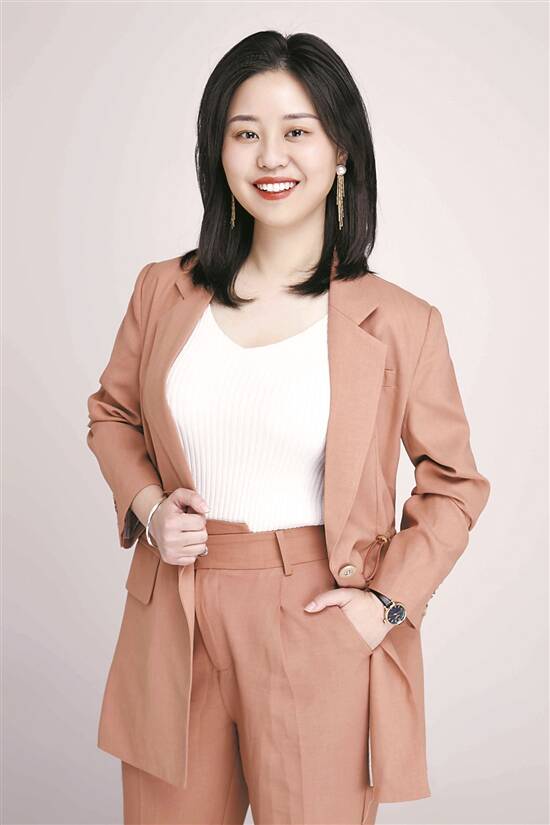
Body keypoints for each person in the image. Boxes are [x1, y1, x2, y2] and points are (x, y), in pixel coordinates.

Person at [86, 30, 491, 825]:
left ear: (341, 149)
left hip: (315, 610)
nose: (270, 156)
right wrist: (149, 506)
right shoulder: (163, 291)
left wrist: (386, 603)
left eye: (296, 131)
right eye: (246, 133)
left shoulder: (400, 322)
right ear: (218, 151)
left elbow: (455, 485)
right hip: (175, 606)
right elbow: (113, 415)